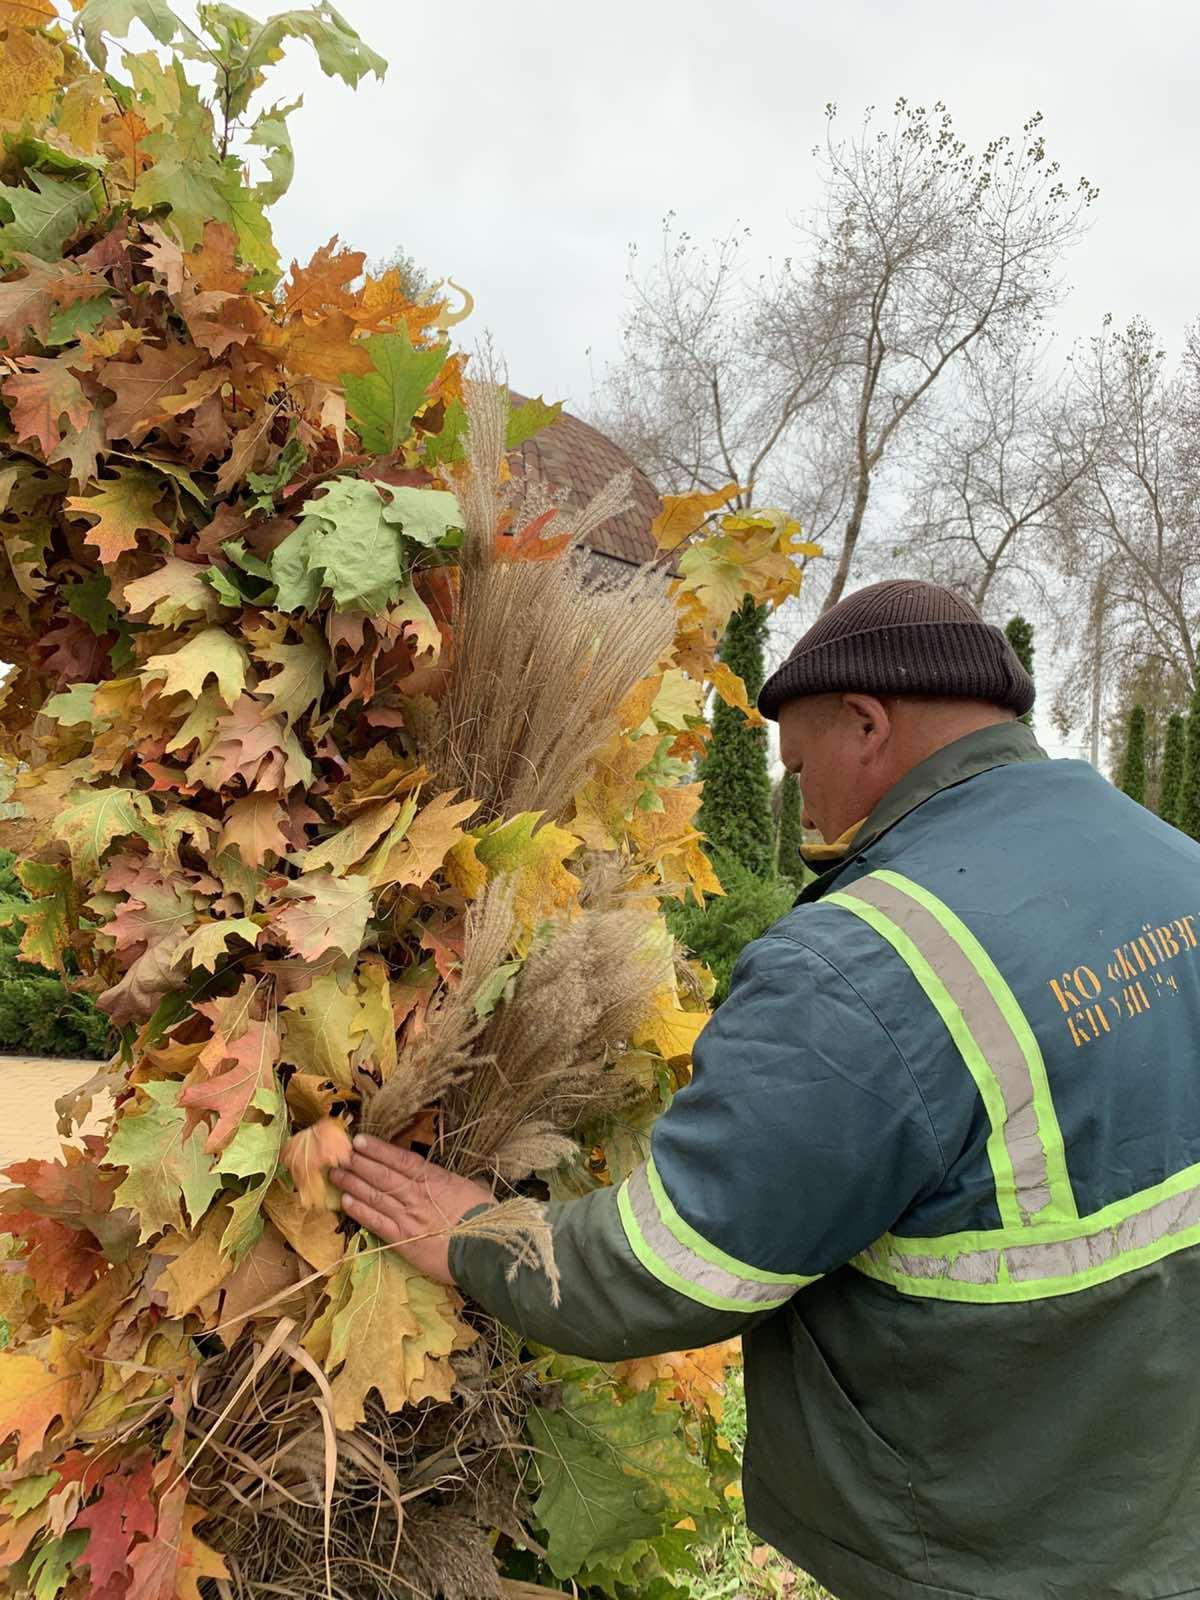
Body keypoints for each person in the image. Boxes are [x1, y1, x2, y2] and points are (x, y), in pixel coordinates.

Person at [332, 579, 1200, 1600]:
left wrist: (481, 1236)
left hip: (984, 1543)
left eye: (799, 767)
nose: (804, 806)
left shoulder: (868, 960)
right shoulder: (1165, 858)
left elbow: (685, 1260)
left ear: (867, 725)